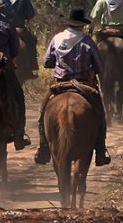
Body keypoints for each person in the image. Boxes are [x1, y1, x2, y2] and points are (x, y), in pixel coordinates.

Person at [34, 9, 111, 166]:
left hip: (59, 84)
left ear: (67, 22)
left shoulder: (57, 38)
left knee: (42, 113)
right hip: (83, 84)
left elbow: (47, 62)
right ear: (82, 25)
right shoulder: (87, 40)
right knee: (100, 114)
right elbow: (99, 66)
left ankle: (43, 147)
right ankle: (101, 150)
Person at [0, 6, 31, 150]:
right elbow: (15, 50)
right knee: (19, 97)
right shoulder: (6, 25)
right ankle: (19, 136)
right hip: (3, 68)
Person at [0, 0, 39, 77]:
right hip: (19, 29)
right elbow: (30, 14)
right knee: (32, 41)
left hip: (2, 28)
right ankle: (32, 67)